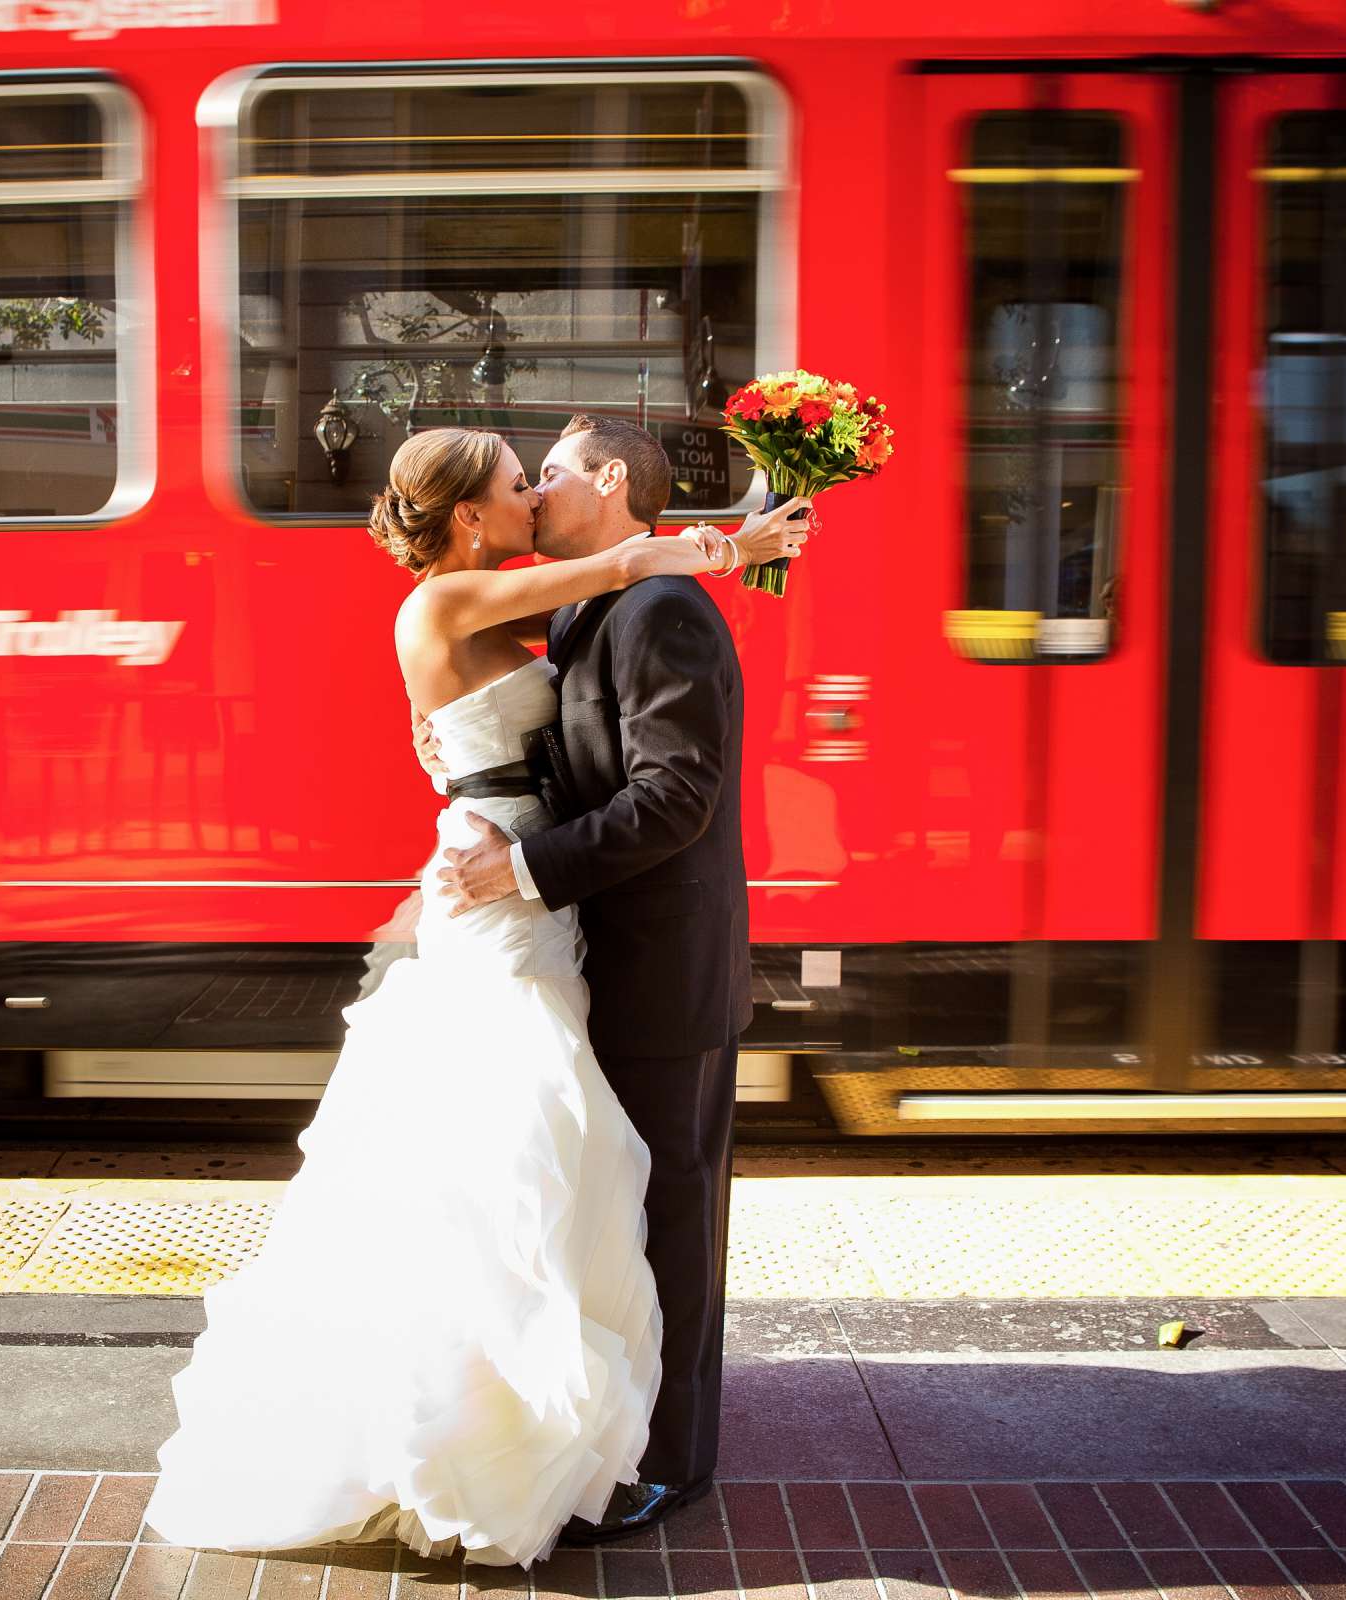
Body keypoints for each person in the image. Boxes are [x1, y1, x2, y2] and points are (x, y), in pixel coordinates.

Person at [144, 425, 807, 1567]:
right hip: (508, 897)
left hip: (551, 902)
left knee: (567, 1163)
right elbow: (610, 572)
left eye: (545, 475)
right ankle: (511, 1405)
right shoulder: (464, 603)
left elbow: (623, 715)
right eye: (518, 482)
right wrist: (739, 539)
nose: (533, 494)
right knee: (515, 1155)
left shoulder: (530, 605)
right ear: (471, 518)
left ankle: (610, 1425)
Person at [433, 414, 765, 1543]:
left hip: (665, 965)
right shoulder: (584, 602)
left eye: (554, 473)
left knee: (671, 1211)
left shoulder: (659, 607)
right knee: (620, 1209)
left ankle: (674, 1463)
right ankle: (625, 1426)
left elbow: (676, 797)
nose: (538, 493)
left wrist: (520, 865)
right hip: (599, 953)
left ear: (611, 481)